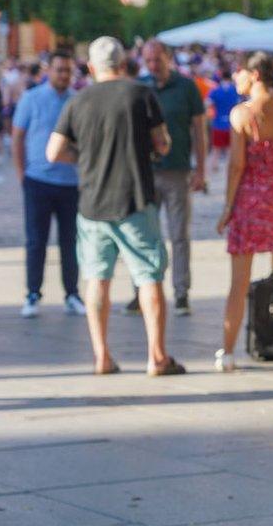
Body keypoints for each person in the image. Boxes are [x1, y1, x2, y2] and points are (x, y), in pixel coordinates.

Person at [46, 36, 186, 377]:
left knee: (97, 279)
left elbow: (53, 152)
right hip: (134, 198)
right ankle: (156, 356)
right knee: (149, 276)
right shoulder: (141, 94)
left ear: (92, 68)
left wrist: (85, 158)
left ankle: (102, 356)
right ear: (123, 64)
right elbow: (162, 143)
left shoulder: (78, 101)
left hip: (92, 202)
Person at [215, 53, 273, 372]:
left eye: (239, 73)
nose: (235, 79)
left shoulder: (242, 114)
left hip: (249, 199)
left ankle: (227, 353)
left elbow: (237, 165)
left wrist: (227, 208)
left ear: (254, 75)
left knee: (238, 281)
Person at [126, 40, 207, 317]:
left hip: (177, 169)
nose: (152, 66)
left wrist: (201, 169)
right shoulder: (140, 86)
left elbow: (199, 129)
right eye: (148, 61)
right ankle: (140, 290)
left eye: (157, 60)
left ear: (168, 58)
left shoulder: (186, 87)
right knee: (143, 233)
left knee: (178, 234)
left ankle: (181, 291)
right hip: (145, 171)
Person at [12, 51, 85, 319]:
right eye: (59, 70)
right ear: (48, 70)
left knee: (71, 241)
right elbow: (17, 136)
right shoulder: (32, 99)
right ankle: (33, 293)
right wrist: (22, 174)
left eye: (68, 71)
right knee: (36, 241)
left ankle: (72, 293)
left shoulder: (77, 101)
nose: (63, 75)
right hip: (38, 181)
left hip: (69, 182)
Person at [207, 69, 239, 171]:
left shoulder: (216, 90)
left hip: (218, 123)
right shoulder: (235, 90)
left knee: (216, 149)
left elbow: (207, 103)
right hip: (232, 124)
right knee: (230, 149)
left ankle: (214, 166)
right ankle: (230, 167)